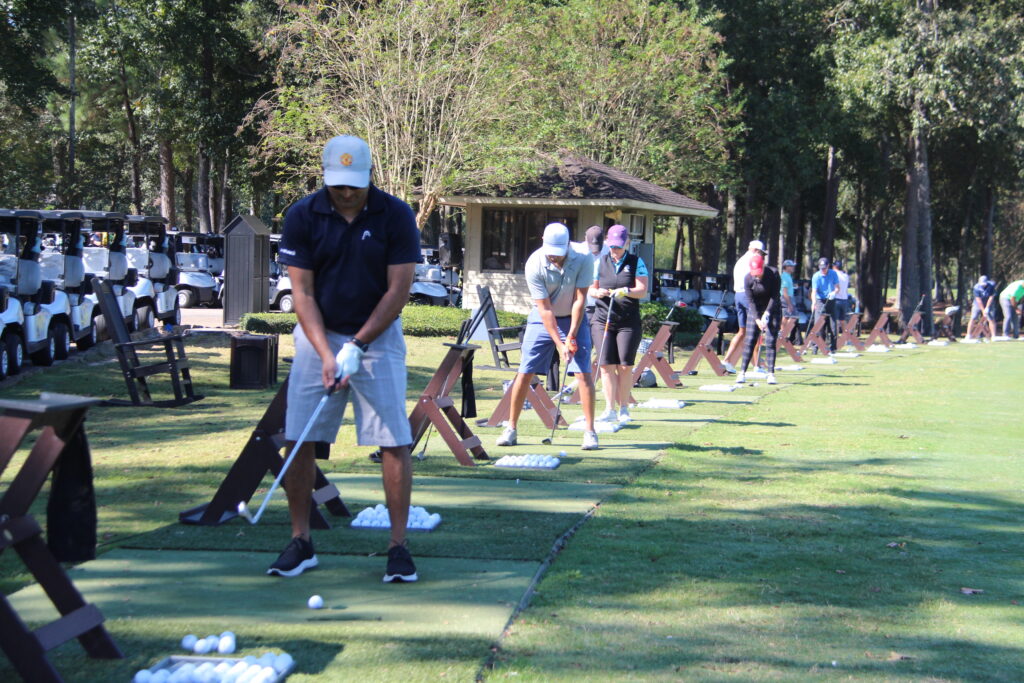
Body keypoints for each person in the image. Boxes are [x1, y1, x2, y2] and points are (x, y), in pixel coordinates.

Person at [272, 134, 421, 582]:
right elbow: (302, 293)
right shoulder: (302, 215)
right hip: (319, 333)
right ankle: (301, 541)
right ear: (325, 177)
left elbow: (398, 292)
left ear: (368, 175)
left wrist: (356, 345)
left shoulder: (395, 215)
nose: (347, 192)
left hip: (378, 338)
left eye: (354, 184)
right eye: (338, 184)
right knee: (299, 438)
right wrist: (326, 352)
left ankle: (398, 546)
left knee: (393, 440)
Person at [496, 222, 599, 450]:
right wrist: (559, 343)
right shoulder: (534, 263)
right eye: (551, 252)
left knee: (583, 374)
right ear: (543, 241)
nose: (555, 258)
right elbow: (544, 310)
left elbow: (580, 300)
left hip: (575, 318)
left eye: (559, 253)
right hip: (542, 319)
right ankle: (511, 428)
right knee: (524, 372)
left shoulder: (583, 257)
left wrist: (571, 335)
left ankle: (590, 432)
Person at [589, 224, 649, 423]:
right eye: (612, 246)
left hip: (628, 321)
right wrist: (597, 292)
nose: (615, 250)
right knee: (606, 365)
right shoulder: (601, 262)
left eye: (618, 247)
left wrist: (626, 291)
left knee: (624, 366)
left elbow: (642, 290)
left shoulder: (636, 262)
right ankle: (609, 409)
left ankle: (624, 408)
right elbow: (590, 287)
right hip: (602, 319)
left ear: (627, 244)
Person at [736, 253, 781, 385]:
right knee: (750, 340)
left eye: (759, 272)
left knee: (771, 341)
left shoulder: (773, 274)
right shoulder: (748, 278)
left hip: (772, 308)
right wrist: (757, 319)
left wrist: (767, 314)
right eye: (754, 273)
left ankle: (771, 374)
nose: (757, 275)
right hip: (755, 309)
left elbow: (774, 296)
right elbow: (750, 301)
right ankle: (742, 373)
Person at [722, 240, 767, 373]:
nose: (761, 256)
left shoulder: (740, 260)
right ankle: (756, 366)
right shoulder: (752, 261)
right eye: (760, 253)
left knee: (742, 332)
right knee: (756, 331)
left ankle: (726, 360)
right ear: (754, 250)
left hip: (738, 296)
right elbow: (756, 280)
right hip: (748, 296)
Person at [809, 256, 839, 354]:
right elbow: (814, 291)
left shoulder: (833, 273)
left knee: (833, 325)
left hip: (831, 300)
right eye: (821, 268)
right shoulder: (816, 276)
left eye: (824, 268)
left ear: (828, 266)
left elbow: (837, 287)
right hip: (820, 300)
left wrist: (834, 292)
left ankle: (833, 347)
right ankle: (815, 346)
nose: (823, 270)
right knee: (818, 324)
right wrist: (813, 303)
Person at [966, 275, 997, 340]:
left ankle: (993, 336)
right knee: (973, 318)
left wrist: (987, 307)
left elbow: (991, 297)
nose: (983, 286)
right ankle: (968, 335)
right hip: (977, 304)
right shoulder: (976, 287)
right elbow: (978, 300)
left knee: (991, 319)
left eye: (984, 284)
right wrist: (983, 310)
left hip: (989, 303)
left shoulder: (991, 285)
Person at [780, 259, 802, 345]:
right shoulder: (784, 276)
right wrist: (789, 304)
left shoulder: (788, 276)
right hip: (786, 298)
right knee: (789, 316)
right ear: (786, 267)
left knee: (790, 317)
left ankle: (783, 334)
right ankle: (782, 334)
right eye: (791, 266)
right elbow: (784, 291)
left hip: (789, 298)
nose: (793, 267)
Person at [832, 258, 850, 327]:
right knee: (842, 320)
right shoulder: (846, 276)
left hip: (836, 299)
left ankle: (835, 336)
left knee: (835, 320)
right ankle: (845, 336)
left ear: (834, 267)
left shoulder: (834, 274)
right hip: (844, 299)